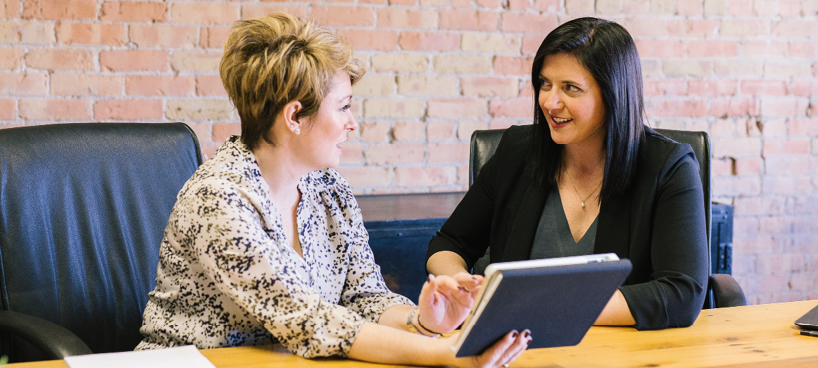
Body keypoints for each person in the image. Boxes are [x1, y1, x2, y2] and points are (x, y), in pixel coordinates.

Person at [135, 12, 531, 367]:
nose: (352, 122)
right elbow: (307, 320)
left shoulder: (329, 189)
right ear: (294, 116)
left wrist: (423, 321)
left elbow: (364, 297)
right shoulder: (218, 199)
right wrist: (444, 353)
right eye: (343, 107)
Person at [426, 17, 709, 331]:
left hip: (621, 354)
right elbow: (448, 244)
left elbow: (682, 293)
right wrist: (458, 284)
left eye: (571, 88)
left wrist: (546, 307)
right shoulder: (517, 152)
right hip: (513, 349)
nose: (550, 101)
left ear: (613, 94)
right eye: (545, 84)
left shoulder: (669, 167)